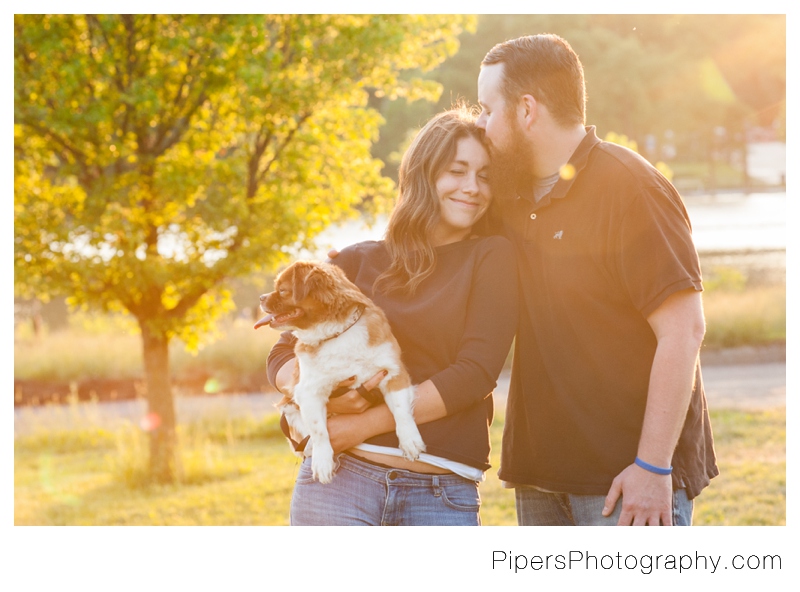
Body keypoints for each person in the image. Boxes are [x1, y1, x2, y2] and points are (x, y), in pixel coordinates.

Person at [475, 34, 718, 526]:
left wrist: (652, 467)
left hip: (625, 479)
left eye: (486, 110)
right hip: (540, 476)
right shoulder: (507, 196)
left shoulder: (632, 188)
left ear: (526, 109)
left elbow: (683, 331)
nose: (480, 126)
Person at [266, 106, 519, 526]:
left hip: (440, 492)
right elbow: (284, 350)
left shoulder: (491, 258)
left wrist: (363, 424)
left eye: (485, 175)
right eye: (457, 171)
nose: (473, 187)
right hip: (340, 483)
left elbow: (474, 374)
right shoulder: (356, 260)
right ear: (423, 174)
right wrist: (313, 389)